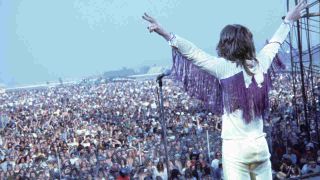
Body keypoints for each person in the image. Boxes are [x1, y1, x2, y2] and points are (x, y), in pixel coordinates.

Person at [142, 1, 308, 179]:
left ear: (226, 44)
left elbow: (194, 53)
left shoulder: (224, 68)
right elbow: (275, 42)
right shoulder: (262, 63)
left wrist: (166, 34)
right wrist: (288, 20)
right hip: (260, 145)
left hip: (235, 149)